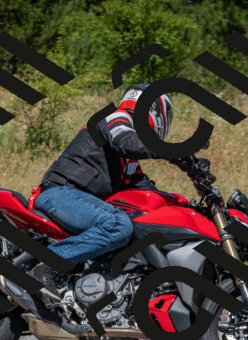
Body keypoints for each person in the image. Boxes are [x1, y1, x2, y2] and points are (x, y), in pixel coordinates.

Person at [32, 83, 174, 276]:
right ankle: (46, 266)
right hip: (60, 193)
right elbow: (124, 141)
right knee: (117, 225)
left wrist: (183, 205)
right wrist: (170, 150)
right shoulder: (116, 118)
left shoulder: (129, 163)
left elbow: (147, 193)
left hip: (75, 201)